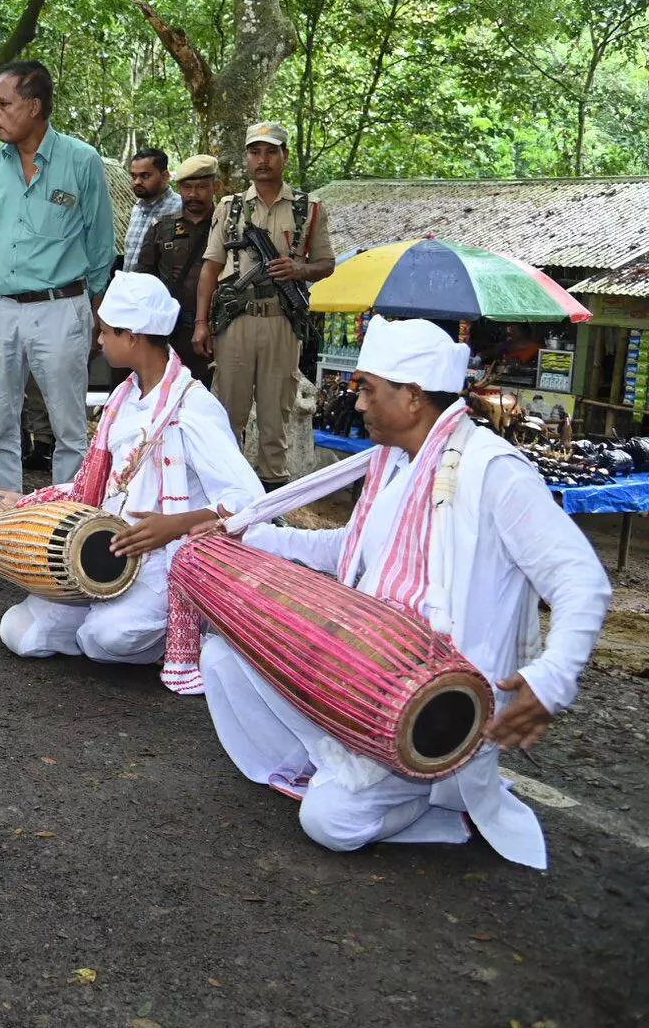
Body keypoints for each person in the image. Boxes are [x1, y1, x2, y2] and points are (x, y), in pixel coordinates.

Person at [199, 318, 607, 869]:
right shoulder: (394, 462)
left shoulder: (494, 471)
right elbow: (350, 548)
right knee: (224, 655)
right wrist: (254, 536)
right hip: (369, 671)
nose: (358, 402)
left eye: (369, 389)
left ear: (412, 396)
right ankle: (343, 763)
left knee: (330, 822)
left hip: (447, 701)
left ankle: (440, 802)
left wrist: (552, 677)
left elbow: (581, 578)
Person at [0, 272, 261, 667]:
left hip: (165, 559)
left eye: (105, 331)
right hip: (106, 551)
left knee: (106, 638)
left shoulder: (193, 406)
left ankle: (184, 627)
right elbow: (98, 488)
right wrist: (30, 503)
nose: (99, 340)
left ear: (131, 337)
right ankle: (105, 619)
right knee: (20, 631)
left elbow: (248, 499)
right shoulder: (123, 396)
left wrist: (175, 525)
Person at [0, 59, 114, 493]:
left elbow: (100, 243)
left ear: (34, 107)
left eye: (4, 104)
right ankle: (3, 517)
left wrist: (97, 311)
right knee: (0, 423)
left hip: (62, 307)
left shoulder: (81, 160)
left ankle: (66, 518)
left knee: (69, 428)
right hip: (2, 308)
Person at [194, 122, 334, 487]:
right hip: (236, 322)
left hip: (282, 321)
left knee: (276, 418)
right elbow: (210, 268)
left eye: (271, 152)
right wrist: (201, 323)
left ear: (284, 156)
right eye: (255, 152)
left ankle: (272, 497)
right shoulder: (230, 208)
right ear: (247, 157)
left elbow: (326, 264)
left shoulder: (309, 209)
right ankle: (225, 493)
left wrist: (299, 269)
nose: (263, 160)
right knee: (227, 416)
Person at [132, 153, 219, 381]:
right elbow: (143, 278)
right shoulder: (163, 227)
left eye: (201, 187)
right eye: (187, 187)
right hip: (170, 331)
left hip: (216, 331)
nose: (193, 194)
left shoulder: (226, 226)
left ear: (215, 187)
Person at [121, 147, 179, 268]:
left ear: (165, 176)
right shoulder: (137, 208)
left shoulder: (179, 208)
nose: (137, 182)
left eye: (145, 176)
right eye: (134, 176)